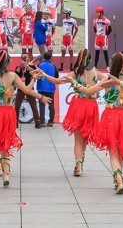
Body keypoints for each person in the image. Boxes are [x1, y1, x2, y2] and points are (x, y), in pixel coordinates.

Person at [0, 49, 51, 192]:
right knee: (5, 143)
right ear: (8, 63)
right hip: (9, 113)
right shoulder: (13, 76)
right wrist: (35, 84)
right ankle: (6, 176)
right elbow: (27, 90)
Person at [79, 53, 123, 194]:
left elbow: (88, 91)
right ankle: (119, 177)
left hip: (110, 116)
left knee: (113, 149)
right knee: (120, 149)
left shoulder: (107, 80)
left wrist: (74, 83)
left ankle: (118, 177)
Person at [35, 48, 105, 176]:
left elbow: (57, 81)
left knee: (78, 138)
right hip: (91, 105)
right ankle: (81, 159)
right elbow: (107, 81)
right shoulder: (96, 73)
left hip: (78, 105)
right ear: (89, 59)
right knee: (85, 137)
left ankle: (78, 162)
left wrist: (43, 74)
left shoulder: (76, 73)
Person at [14, 53, 41, 128]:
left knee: (33, 106)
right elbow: (16, 74)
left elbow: (35, 73)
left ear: (29, 58)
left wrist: (26, 65)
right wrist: (20, 66)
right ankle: (15, 122)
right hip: (20, 88)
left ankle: (37, 121)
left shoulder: (31, 66)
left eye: (26, 57)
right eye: (23, 57)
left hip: (29, 88)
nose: (25, 58)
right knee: (17, 106)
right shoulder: (18, 67)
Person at [36, 51, 58, 126]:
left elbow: (36, 75)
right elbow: (56, 77)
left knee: (42, 105)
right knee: (51, 105)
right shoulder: (53, 66)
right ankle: (51, 121)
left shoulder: (39, 65)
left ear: (43, 57)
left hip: (41, 87)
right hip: (51, 88)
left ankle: (42, 121)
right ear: (51, 57)